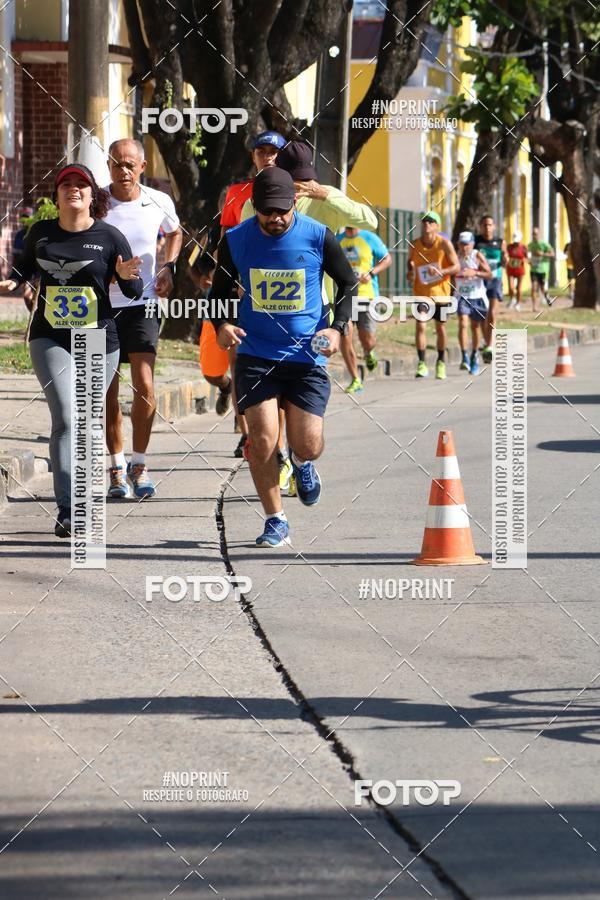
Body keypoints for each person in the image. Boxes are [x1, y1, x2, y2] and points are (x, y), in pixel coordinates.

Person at [207, 167, 355, 548]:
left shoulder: (319, 236)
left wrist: (337, 327)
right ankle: (276, 519)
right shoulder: (235, 240)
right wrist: (221, 323)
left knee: (307, 444)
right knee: (260, 440)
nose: (275, 219)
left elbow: (347, 283)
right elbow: (219, 291)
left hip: (306, 355)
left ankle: (303, 464)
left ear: (295, 203)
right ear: (255, 206)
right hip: (257, 353)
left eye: (282, 211)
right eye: (267, 211)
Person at [0, 163, 143, 537]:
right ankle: (69, 510)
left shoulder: (110, 237)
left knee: (88, 422)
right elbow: (22, 271)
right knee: (66, 417)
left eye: (82, 185)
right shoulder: (41, 233)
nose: (74, 189)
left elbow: (132, 291)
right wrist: (11, 278)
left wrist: (129, 277)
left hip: (98, 337)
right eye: (67, 185)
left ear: (93, 196)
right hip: (50, 336)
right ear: (57, 194)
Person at [241, 141, 378, 487]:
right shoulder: (261, 200)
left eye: (306, 181)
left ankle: (300, 457)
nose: (300, 190)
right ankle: (283, 458)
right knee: (271, 403)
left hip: (313, 317)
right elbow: (241, 237)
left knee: (297, 404)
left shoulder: (323, 197)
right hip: (264, 318)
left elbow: (371, 220)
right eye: (295, 183)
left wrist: (325, 195)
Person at [103, 138, 182, 500]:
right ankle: (116, 468)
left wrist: (169, 265)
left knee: (145, 386)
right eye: (117, 164)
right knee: (107, 390)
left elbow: (175, 231)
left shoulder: (158, 200)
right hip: (100, 306)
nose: (123, 171)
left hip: (145, 302)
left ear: (142, 167)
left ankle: (140, 463)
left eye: (129, 164)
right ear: (108, 166)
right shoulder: (98, 200)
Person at [221, 130, 287, 458]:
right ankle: (246, 431)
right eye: (262, 151)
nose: (268, 157)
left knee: (284, 364)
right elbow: (226, 238)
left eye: (274, 151)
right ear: (254, 156)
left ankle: (280, 439)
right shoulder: (237, 192)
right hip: (242, 292)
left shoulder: (294, 189)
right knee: (238, 361)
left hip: (284, 294)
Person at [337, 226, 391, 393]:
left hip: (366, 295)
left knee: (367, 338)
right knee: (345, 337)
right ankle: (355, 379)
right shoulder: (338, 239)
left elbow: (387, 259)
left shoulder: (369, 238)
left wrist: (372, 273)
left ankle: (369, 352)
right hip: (344, 296)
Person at [407, 211, 459, 379]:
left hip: (441, 294)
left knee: (440, 327)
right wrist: (410, 272)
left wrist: (441, 271)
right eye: (424, 221)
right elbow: (410, 265)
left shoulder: (444, 244)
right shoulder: (414, 244)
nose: (427, 224)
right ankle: (422, 363)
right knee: (421, 324)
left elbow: (456, 266)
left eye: (431, 221)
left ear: (437, 226)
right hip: (421, 293)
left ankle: (441, 361)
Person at [189, 230, 232, 416]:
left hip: (247, 311)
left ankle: (244, 424)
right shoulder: (209, 233)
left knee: (244, 372)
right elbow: (192, 266)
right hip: (215, 311)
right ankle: (226, 387)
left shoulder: (258, 229)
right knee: (211, 373)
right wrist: (203, 281)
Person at [455, 231, 492, 375]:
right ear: (458, 244)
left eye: (467, 244)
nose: (464, 247)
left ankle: (474, 355)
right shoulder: (455, 256)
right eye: (462, 244)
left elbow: (489, 274)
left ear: (472, 244)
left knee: (475, 327)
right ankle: (464, 356)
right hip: (462, 296)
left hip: (477, 296)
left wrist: (475, 273)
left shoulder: (476, 256)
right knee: (463, 323)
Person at [474, 214, 507, 363]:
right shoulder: (476, 242)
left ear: (494, 227)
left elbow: (505, 260)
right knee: (482, 314)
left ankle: (489, 344)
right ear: (480, 227)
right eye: (484, 225)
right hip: (480, 281)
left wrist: (506, 258)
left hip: (495, 280)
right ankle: (487, 343)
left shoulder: (500, 242)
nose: (487, 227)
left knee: (492, 313)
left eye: (490, 225)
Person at [528, 226, 554, 311]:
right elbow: (528, 256)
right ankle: (534, 307)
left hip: (543, 269)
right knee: (534, 287)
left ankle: (547, 297)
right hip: (534, 269)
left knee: (542, 288)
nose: (534, 235)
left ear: (539, 234)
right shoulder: (530, 245)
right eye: (533, 234)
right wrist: (529, 260)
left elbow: (552, 254)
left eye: (536, 234)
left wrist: (542, 254)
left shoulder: (544, 244)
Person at [506, 230, 528, 311]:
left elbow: (527, 258)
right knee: (511, 288)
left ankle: (518, 303)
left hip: (520, 270)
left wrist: (524, 260)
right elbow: (505, 255)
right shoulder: (509, 247)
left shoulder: (524, 247)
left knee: (519, 288)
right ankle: (512, 299)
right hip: (510, 269)